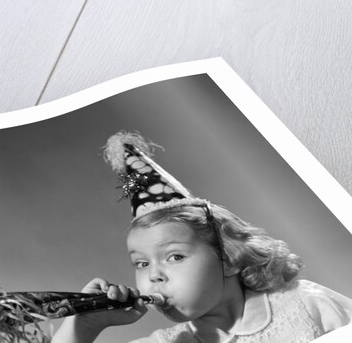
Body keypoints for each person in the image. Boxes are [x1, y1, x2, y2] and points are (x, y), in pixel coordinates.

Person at [53, 132, 352, 343]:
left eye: (175, 256)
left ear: (229, 257)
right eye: (141, 263)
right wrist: (84, 326)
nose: (154, 276)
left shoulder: (306, 305)